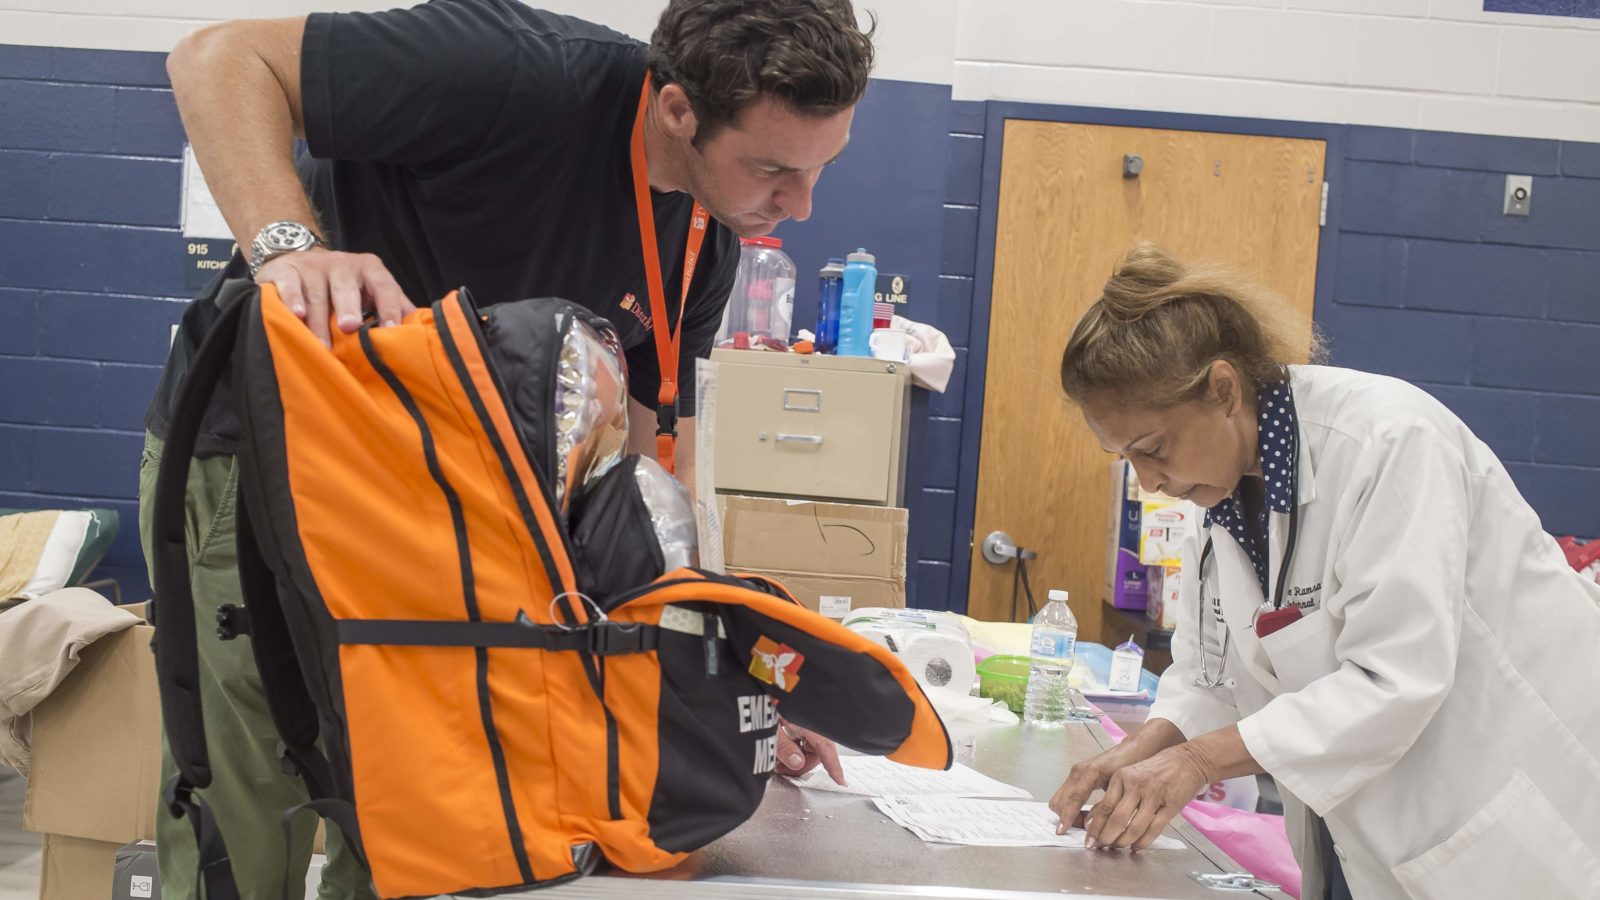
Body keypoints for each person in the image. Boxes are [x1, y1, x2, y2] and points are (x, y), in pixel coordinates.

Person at [140, 1, 870, 895]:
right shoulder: (521, 74)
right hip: (270, 464)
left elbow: (631, 487)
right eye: (772, 169)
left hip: (446, 515)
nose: (798, 206)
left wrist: (727, 683)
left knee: (416, 824)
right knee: (257, 800)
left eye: (818, 170)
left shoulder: (701, 244)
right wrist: (290, 247)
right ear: (679, 109)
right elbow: (216, 58)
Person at [1046, 244, 1600, 900]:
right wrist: (1146, 747)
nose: (1149, 481)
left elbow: (1396, 678)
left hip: (1491, 825)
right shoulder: (1221, 494)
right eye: (1125, 457)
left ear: (1224, 390)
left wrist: (1196, 761)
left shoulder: (1389, 444)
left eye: (1153, 448)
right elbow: (1211, 671)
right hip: (1360, 834)